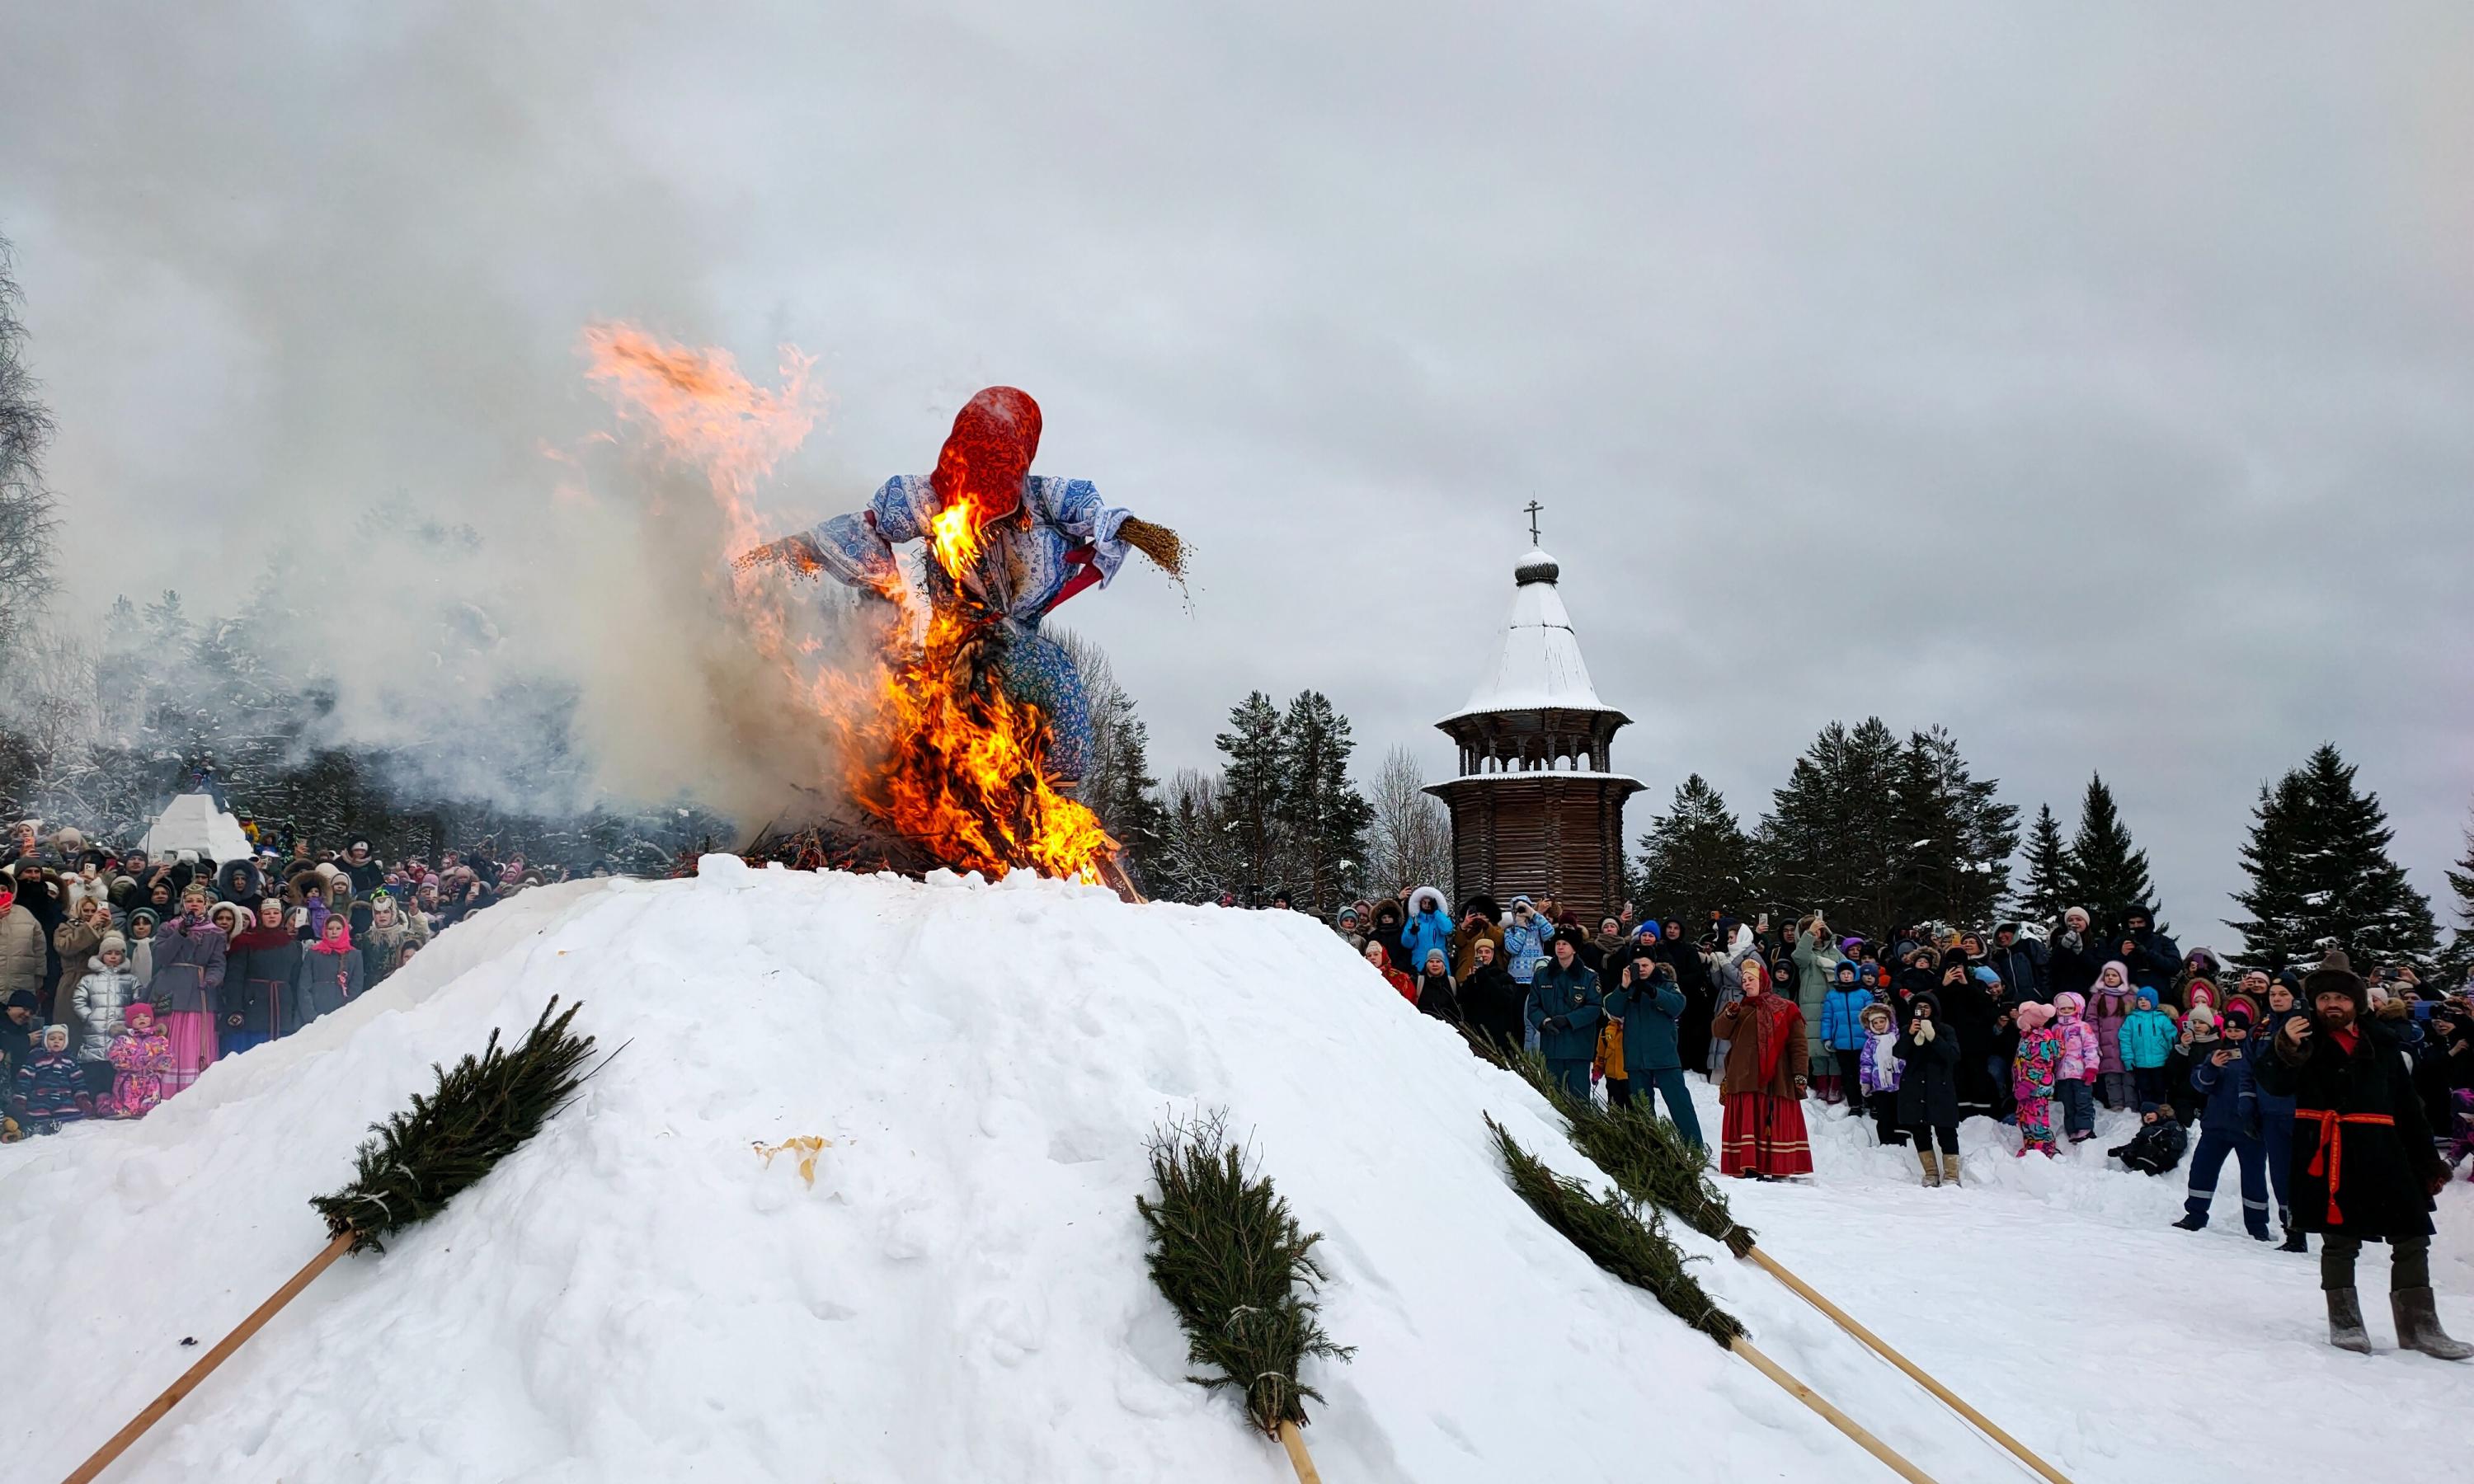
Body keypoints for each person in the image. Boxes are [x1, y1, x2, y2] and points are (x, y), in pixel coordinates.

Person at [739, 386, 1175, 790]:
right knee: (899, 704)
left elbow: (1097, 515)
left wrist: (1127, 529)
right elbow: (865, 528)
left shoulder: (1050, 501)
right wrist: (797, 554)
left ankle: (1049, 800)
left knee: (1053, 678)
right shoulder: (923, 498)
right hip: (952, 649)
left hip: (1016, 645)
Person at [2255, 951, 2467, 1359]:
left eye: (2340, 998)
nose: (2332, 1005)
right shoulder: (2302, 1040)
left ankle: (2420, 1326)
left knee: (2412, 1235)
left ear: (2356, 1002)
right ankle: (2346, 1322)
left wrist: (2427, 1162)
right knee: (2339, 1240)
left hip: (2384, 1151)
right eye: (2323, 999)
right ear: (2314, 1004)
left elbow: (2410, 1108)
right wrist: (2284, 1047)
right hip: (2329, 1148)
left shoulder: (2384, 1044)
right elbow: (2275, 1085)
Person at [2173, 1001, 2271, 1240]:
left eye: (2238, 1029)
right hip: (2216, 1125)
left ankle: (2258, 1227)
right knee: (2202, 1171)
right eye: (2230, 1029)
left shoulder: (2257, 1056)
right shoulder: (2216, 1052)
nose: (2234, 1033)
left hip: (2249, 1128)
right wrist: (2212, 1067)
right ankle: (2195, 1215)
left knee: (2254, 1178)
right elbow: (2199, 1085)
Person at [1711, 952, 1810, 1180]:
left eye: (1751, 979)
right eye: (1744, 980)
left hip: (1776, 1079)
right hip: (1743, 1077)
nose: (1746, 983)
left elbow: (1798, 1044)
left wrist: (1800, 1073)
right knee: (1749, 1119)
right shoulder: (1738, 1009)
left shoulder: (1786, 1009)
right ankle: (1749, 1165)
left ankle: (1773, 1164)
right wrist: (1728, 1015)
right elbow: (1719, 1032)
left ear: (1763, 980)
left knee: (1770, 1119)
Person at [1604, 956, 1705, 1151]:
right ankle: (1649, 1149)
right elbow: (1612, 1008)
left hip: (1664, 1057)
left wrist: (1652, 991)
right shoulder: (1627, 988)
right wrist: (1624, 987)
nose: (1641, 969)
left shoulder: (1667, 985)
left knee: (1679, 1104)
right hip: (1636, 1058)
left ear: (1653, 966)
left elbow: (1677, 1006)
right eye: (1636, 965)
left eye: (1645, 965)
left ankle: (1695, 1148)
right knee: (1642, 1108)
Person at [149, 885, 226, 1097]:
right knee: (169, 1036)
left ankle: (193, 1090)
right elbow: (161, 957)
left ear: (206, 904)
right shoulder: (168, 928)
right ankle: (163, 1088)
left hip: (199, 991)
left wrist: (213, 978)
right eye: (190, 900)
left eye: (199, 901)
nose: (194, 904)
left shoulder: (216, 933)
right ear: (183, 903)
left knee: (194, 1039)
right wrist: (181, 933)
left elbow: (218, 963)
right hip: (170, 988)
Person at [2253, 976, 2309, 1250]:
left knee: (2305, 1176)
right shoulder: (2262, 1027)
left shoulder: (2305, 1025)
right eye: (2273, 994)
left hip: (2299, 1114)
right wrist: (2248, 1105)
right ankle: (2293, 1234)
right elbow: (2250, 1069)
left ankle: (2320, 1232)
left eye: (2283, 994)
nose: (2276, 998)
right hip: (2270, 1114)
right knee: (2280, 1176)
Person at [1893, 991, 1962, 1186]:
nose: (1922, 1011)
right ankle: (1930, 1173)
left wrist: (1933, 1037)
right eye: (1918, 1007)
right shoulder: (1908, 1028)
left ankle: (1951, 1175)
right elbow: (1898, 1052)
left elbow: (1953, 1056)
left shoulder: (1946, 1030)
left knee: (1946, 1131)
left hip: (1939, 1087)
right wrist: (1910, 1034)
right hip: (1914, 1088)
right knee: (1920, 1132)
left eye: (1926, 1007)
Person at [1526, 937, 1605, 1101]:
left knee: (1579, 1099)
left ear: (1574, 949)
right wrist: (1544, 1022)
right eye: (1557, 944)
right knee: (1553, 1100)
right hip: (1552, 1047)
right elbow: (1533, 1006)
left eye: (1565, 944)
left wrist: (1569, 1020)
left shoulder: (1588, 976)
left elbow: (1594, 1008)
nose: (1560, 947)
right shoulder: (1542, 976)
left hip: (1578, 1047)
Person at [69, 931, 139, 1105]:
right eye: (109, 953)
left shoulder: (130, 980)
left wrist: (129, 1023)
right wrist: (89, 1017)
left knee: (116, 1068)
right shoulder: (89, 979)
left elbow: (138, 1002)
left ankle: (115, 1102)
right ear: (101, 956)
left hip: (120, 1031)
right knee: (93, 1068)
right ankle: (93, 1101)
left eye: (118, 953)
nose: (113, 957)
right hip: (94, 1031)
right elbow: (78, 999)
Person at [1789, 913, 1843, 1094]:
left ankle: (1835, 1087)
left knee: (1835, 1044)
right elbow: (1799, 957)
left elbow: (1848, 969)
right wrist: (1809, 935)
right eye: (1807, 929)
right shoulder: (1804, 953)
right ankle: (1821, 1086)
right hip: (1811, 1004)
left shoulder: (1835, 952)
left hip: (1834, 1002)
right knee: (1815, 1047)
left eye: (1816, 928)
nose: (1814, 932)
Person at [11, 1024, 91, 1133]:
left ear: (65, 1042)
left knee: (71, 1113)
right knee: (37, 1114)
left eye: (60, 1039)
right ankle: (41, 1125)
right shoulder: (36, 1057)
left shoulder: (70, 1060)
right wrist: (20, 1100)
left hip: (63, 1097)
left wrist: (82, 1099)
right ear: (45, 1040)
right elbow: (25, 1078)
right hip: (41, 1097)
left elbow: (78, 1081)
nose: (56, 1042)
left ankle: (61, 1123)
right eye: (52, 1039)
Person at [1817, 960, 1872, 1111]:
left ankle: (1868, 1100)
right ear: (1838, 976)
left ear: (1855, 975)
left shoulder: (1864, 994)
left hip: (1863, 1043)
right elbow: (1827, 1018)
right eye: (1843, 974)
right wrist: (1827, 1038)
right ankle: (1854, 1103)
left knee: (1864, 1073)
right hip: (1842, 1044)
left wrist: (1872, 1036)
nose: (1846, 976)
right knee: (1848, 1076)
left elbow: (1871, 1016)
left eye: (1849, 973)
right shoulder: (1832, 996)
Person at [2011, 1000, 2064, 1157]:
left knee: (2036, 1120)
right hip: (2026, 1088)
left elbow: (2039, 1065)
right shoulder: (2028, 1037)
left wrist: (2027, 1085)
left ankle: (2045, 1149)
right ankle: (2031, 1147)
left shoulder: (2038, 1040)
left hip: (2036, 1089)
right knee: (2025, 1118)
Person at [103, 1000, 172, 1119]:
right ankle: (124, 1109)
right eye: (137, 1017)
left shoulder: (158, 1039)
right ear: (130, 1021)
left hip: (150, 1079)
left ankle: (148, 1111)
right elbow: (115, 1057)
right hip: (129, 1078)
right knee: (127, 1096)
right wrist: (135, 1061)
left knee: (151, 1100)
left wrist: (159, 1062)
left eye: (146, 1016)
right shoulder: (123, 1039)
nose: (142, 1019)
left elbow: (167, 1057)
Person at [2049, 991, 2101, 1144]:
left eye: (2069, 1008)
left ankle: (2085, 1128)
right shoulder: (2055, 1028)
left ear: (2078, 1008)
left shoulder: (2083, 1027)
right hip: (2062, 1075)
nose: (2066, 1012)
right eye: (2062, 1009)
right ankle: (2071, 1128)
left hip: (2081, 1073)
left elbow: (2091, 1048)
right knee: (2068, 1102)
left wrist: (2091, 1068)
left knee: (2083, 1101)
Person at [1456, 937, 1523, 1054]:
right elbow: (1462, 1003)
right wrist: (1470, 981)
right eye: (1480, 952)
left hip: (1498, 1039)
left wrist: (1484, 977)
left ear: (1493, 954)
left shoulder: (1504, 977)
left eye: (1487, 952)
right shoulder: (1472, 978)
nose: (1484, 955)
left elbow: (1504, 1000)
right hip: (1476, 1037)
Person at [299, 913, 366, 1021]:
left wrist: (345, 1013)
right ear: (325, 930)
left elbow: (356, 987)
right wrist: (310, 1016)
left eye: (338, 928)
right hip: (316, 1011)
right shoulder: (313, 953)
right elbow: (304, 986)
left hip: (342, 1014)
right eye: (330, 928)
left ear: (344, 930)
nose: (334, 932)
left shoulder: (354, 955)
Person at [1856, 1003, 1905, 1148]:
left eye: (1882, 1021)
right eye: (1875, 1023)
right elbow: (1866, 1063)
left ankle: (1901, 1139)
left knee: (1900, 1112)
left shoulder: (1897, 1038)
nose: (1878, 1025)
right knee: (1884, 1114)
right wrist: (1865, 1082)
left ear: (1888, 1020)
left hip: (1899, 1083)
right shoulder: (1870, 1043)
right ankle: (1885, 1141)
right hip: (1880, 1085)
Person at [2120, 988, 2175, 1109]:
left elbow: (2171, 1037)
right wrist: (2128, 1058)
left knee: (2160, 1088)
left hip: (2160, 1062)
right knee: (2144, 1088)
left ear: (2154, 1001)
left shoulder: (2162, 1018)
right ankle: (2147, 1111)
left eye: (2147, 999)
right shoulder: (2131, 1019)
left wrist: (2172, 1057)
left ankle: (2162, 1111)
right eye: (2140, 999)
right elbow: (2125, 1040)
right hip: (2140, 1063)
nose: (2143, 1002)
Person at [2115, 906, 2180, 1002]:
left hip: (2159, 998)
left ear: (2147, 922)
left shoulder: (2163, 941)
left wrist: (2148, 954)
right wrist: (2122, 955)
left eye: (2140, 922)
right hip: (2128, 999)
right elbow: (2107, 969)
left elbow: (2175, 966)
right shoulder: (2119, 943)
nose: (2136, 926)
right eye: (2132, 923)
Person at [2109, 1101, 2189, 1175]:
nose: (2147, 1115)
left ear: (2158, 1112)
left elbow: (2181, 1140)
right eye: (2144, 1115)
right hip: (2148, 1156)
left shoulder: (2171, 1124)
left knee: (2148, 1148)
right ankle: (2135, 1173)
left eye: (2149, 1112)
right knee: (2128, 1153)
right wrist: (2120, 1150)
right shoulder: (2145, 1131)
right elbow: (2135, 1144)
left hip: (2165, 1156)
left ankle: (2139, 1176)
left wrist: (2169, 1142)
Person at [1398, 887, 1456, 983]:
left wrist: (1436, 912)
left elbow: (1447, 929)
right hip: (1420, 963)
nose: (1427, 905)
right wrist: (1412, 933)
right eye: (1424, 902)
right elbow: (1406, 943)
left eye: (1430, 903)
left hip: (1440, 963)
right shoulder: (1414, 920)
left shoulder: (1439, 918)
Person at [1987, 923, 2050, 1004]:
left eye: (2004, 932)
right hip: (2013, 1004)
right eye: (1997, 934)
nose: (2000, 936)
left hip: (2038, 1001)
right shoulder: (1997, 956)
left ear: (2013, 932)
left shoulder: (2028, 944)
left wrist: (2045, 995)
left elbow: (2046, 969)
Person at [1413, 948, 1460, 1024]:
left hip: (1448, 1029)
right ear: (1426, 964)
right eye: (1431, 961)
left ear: (1443, 964)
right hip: (1423, 1027)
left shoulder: (1452, 982)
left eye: (1438, 961)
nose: (1435, 964)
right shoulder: (1419, 981)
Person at [1362, 940, 1415, 1006]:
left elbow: (1409, 1003)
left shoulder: (1399, 977)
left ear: (1383, 956)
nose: (1372, 957)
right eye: (1369, 956)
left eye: (1376, 954)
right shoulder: (1363, 975)